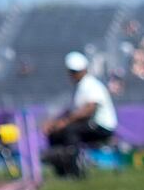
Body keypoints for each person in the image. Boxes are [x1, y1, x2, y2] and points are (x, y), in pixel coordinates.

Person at [44, 49, 119, 177]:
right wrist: (55, 123)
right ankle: (61, 170)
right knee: (55, 133)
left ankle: (75, 172)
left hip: (101, 126)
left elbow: (89, 110)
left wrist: (64, 122)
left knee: (70, 131)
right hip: (88, 125)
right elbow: (73, 111)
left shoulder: (91, 85)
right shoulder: (80, 87)